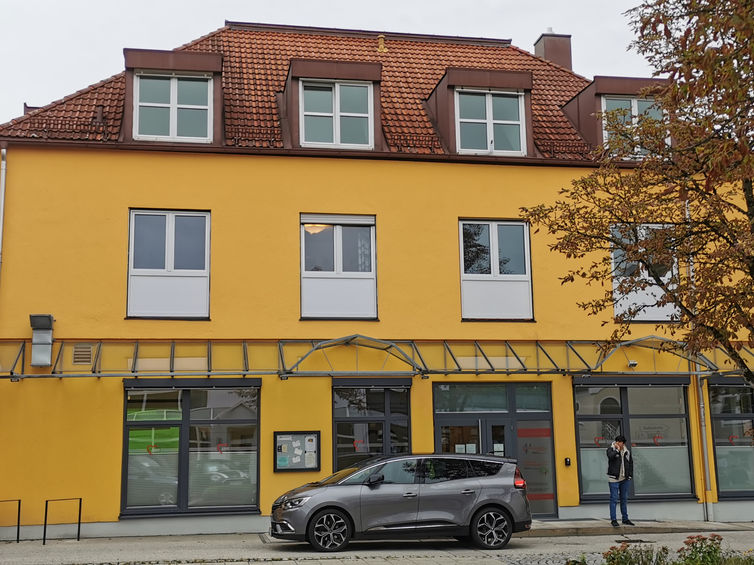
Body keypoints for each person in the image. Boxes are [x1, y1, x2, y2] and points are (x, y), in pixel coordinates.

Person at [606, 434, 634, 527]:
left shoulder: (627, 452)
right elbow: (610, 456)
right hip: (614, 478)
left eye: (620, 442)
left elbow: (630, 464)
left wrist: (629, 475)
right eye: (617, 441)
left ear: (623, 443)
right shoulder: (611, 449)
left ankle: (625, 519)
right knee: (614, 499)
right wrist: (617, 450)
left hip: (624, 479)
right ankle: (613, 520)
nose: (618, 443)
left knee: (624, 499)